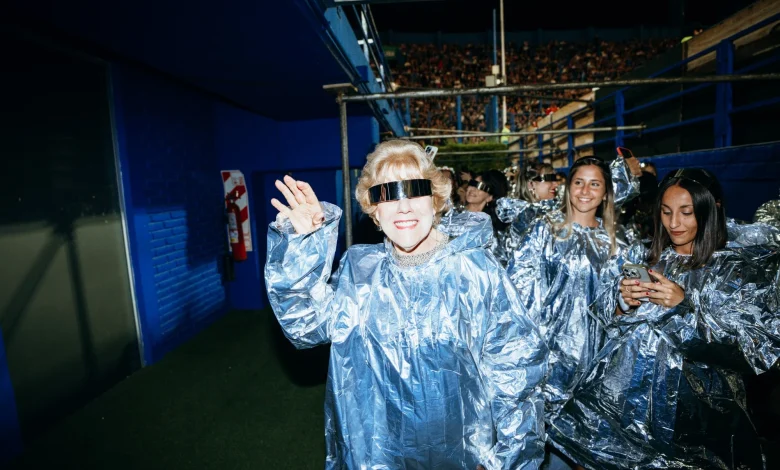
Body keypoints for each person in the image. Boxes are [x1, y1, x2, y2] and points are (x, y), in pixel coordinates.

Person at [265, 140, 548, 469]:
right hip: (375, 458)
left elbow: (516, 378)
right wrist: (304, 246)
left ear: (435, 200)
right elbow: (305, 326)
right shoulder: (359, 271)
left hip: (462, 459)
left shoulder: (476, 272)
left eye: (415, 191)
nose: (403, 206)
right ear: (374, 209)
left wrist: (505, 463)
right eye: (388, 193)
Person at [549, 168, 780, 469]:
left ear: (710, 210)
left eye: (686, 213)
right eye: (666, 212)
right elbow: (608, 332)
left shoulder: (736, 271)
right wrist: (623, 304)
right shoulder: (651, 257)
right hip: (627, 417)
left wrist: (681, 308)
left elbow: (749, 354)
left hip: (692, 423)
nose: (674, 223)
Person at [507, 157, 644, 470]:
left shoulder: (622, 244)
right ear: (567, 188)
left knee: (581, 449)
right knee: (535, 446)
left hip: (593, 367)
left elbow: (627, 308)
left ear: (606, 192)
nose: (585, 190)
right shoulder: (543, 231)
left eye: (595, 183)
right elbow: (516, 293)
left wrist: (630, 300)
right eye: (578, 182)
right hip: (545, 363)